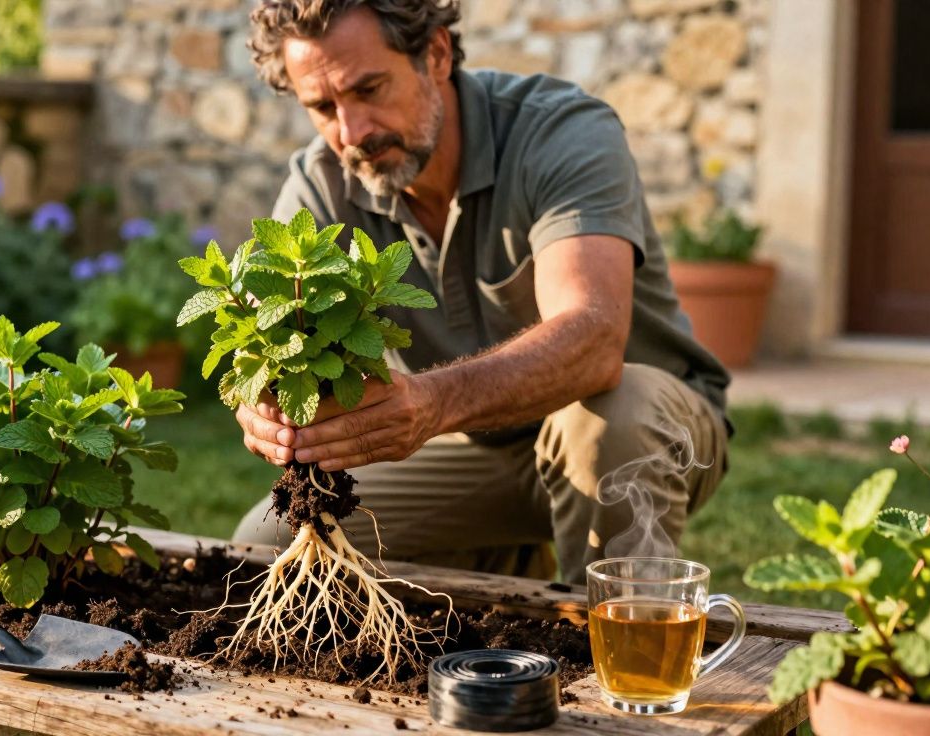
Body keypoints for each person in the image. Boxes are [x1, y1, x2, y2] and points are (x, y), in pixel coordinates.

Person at [230, 0, 731, 584]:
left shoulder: (560, 132)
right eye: (322, 106)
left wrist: (431, 401)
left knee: (613, 422)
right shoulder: (320, 188)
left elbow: (594, 340)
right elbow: (272, 347)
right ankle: (503, 567)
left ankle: (618, 656)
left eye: (369, 89)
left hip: (638, 432)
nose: (352, 132)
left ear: (436, 53)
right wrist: (264, 405)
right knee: (267, 549)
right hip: (466, 451)